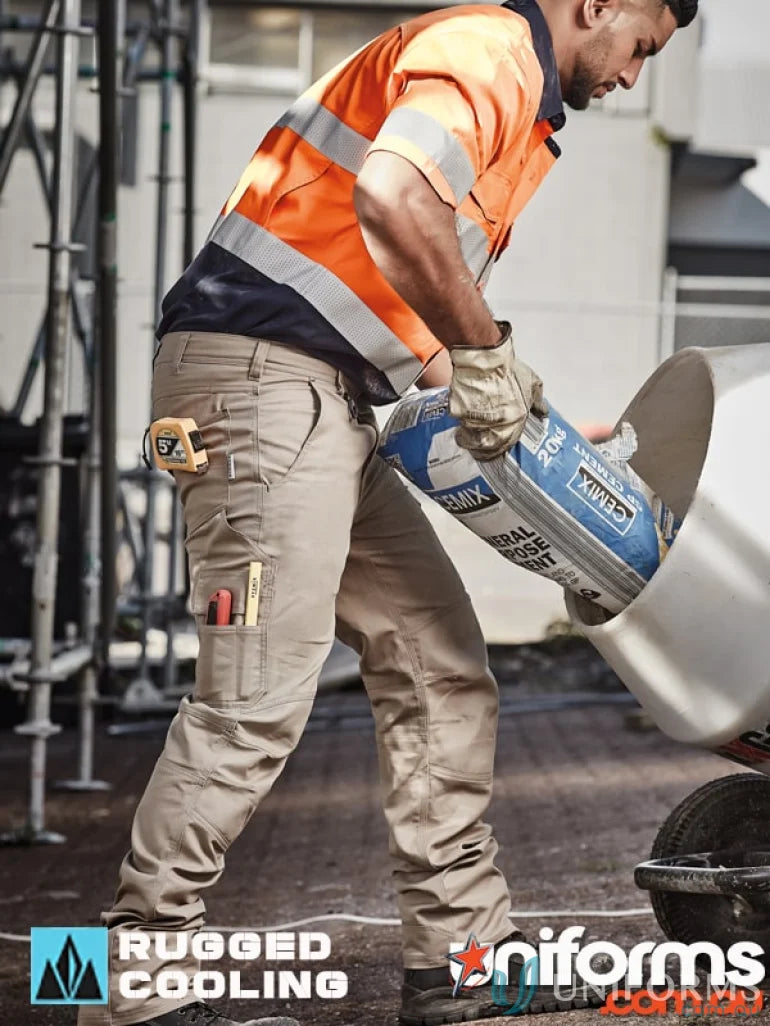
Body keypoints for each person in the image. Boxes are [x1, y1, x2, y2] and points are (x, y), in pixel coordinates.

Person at [79, 1, 698, 1024]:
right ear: (597, 5)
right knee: (254, 700)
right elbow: (394, 196)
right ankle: (126, 982)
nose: (634, 75)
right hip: (261, 384)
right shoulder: (489, 50)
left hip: (319, 395)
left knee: (439, 659)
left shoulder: (516, 98)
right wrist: (486, 355)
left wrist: (522, 418)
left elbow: (394, 294)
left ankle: (462, 961)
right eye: (641, 47)